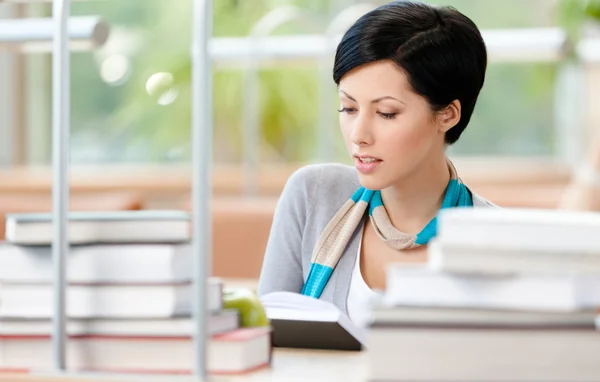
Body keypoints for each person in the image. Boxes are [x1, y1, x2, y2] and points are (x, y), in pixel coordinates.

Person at [257, 0, 495, 323]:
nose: (359, 134)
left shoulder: (496, 240)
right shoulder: (313, 196)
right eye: (348, 108)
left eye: (386, 113)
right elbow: (266, 340)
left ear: (447, 115)